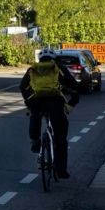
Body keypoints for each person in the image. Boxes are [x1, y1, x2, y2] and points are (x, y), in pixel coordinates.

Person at [20, 48, 80, 179]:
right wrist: (72, 103)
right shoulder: (59, 68)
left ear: (40, 59)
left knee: (35, 116)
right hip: (55, 103)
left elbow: (22, 87)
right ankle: (61, 171)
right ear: (54, 58)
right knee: (61, 138)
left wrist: (29, 103)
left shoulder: (32, 69)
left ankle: (35, 141)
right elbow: (74, 86)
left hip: (37, 102)